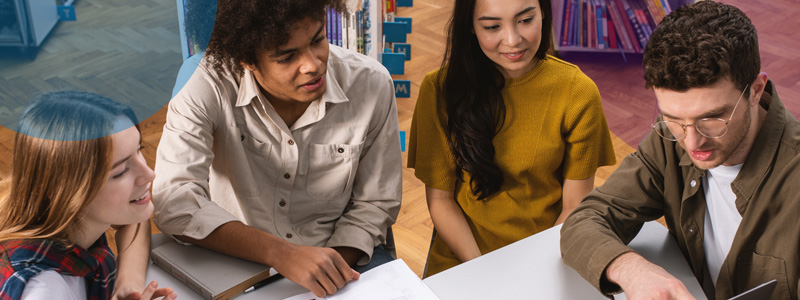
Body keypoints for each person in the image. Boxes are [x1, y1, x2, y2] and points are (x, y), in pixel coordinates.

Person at [152, 0, 401, 297]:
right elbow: (174, 200)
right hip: (239, 257)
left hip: (342, 256)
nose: (312, 65)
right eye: (286, 57)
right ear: (245, 60)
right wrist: (282, 254)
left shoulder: (371, 83)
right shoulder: (204, 82)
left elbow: (375, 203)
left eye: (318, 39)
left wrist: (328, 272)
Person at [560, 1, 800, 299]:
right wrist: (630, 269)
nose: (692, 142)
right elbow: (584, 220)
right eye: (673, 118)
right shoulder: (670, 139)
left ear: (755, 91)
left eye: (712, 118)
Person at [407, 0, 616, 277]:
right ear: (470, 26)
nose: (513, 40)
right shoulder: (440, 90)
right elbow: (441, 201)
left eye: (526, 20)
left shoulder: (577, 91)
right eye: (492, 26)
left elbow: (574, 206)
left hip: (548, 255)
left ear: (543, 12)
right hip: (463, 259)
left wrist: (534, 274)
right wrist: (483, 270)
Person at [0, 91, 177, 300]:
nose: (149, 174)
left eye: (139, 150)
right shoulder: (43, 291)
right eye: (120, 172)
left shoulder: (53, 214)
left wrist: (128, 285)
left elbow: (135, 217)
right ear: (69, 192)